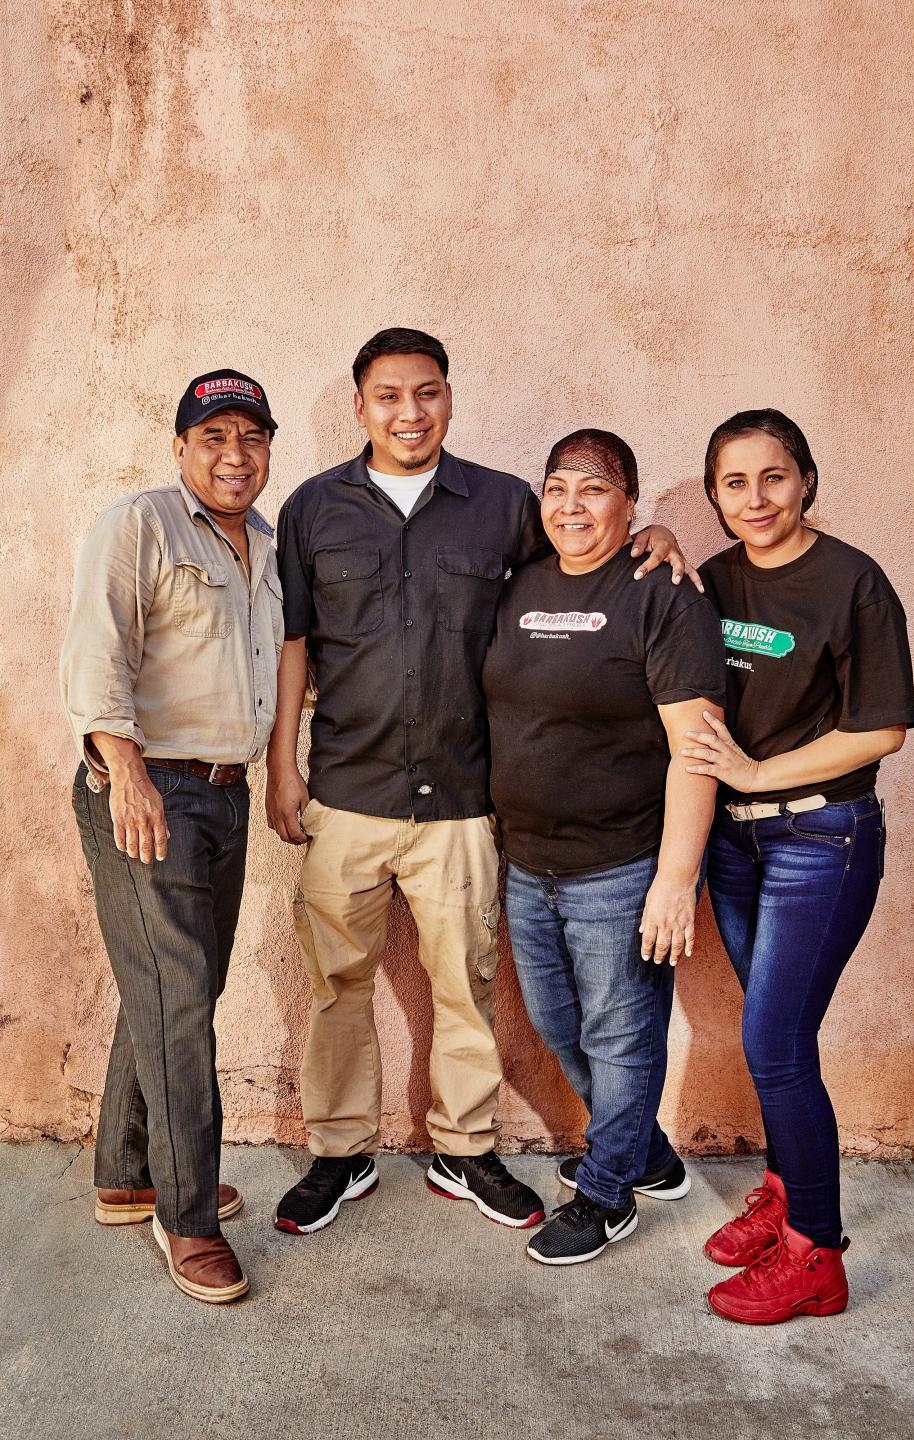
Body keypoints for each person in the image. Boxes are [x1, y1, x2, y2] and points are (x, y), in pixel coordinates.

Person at [266, 329, 692, 1236]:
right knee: (336, 983)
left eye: (426, 393)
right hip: (344, 791)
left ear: (449, 398)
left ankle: (465, 1149)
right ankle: (340, 1154)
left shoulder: (504, 504)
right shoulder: (312, 509)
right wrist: (280, 764)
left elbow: (593, 536)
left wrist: (658, 529)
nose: (408, 412)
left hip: (463, 800)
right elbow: (295, 645)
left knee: (466, 984)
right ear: (360, 406)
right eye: (388, 395)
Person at [684, 408, 914, 1324]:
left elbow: (883, 728)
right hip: (735, 845)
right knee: (780, 1037)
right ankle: (786, 1194)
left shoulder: (854, 581)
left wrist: (755, 772)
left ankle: (816, 1254)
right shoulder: (711, 579)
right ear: (715, 495)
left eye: (773, 477)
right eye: (733, 483)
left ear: (806, 480)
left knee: (773, 1045)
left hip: (823, 838)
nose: (755, 498)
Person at [61, 369, 285, 1304]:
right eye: (215, 438)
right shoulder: (139, 524)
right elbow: (96, 654)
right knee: (180, 999)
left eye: (252, 437)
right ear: (183, 447)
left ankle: (125, 1171)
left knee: (167, 988)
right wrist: (130, 777)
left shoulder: (265, 545)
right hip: (147, 789)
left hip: (224, 797)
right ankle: (186, 1217)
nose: (235, 456)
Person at [481, 429, 727, 1265]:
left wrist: (675, 880)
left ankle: (608, 1194)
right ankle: (645, 1152)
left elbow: (698, 746)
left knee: (622, 1040)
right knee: (561, 1027)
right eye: (557, 488)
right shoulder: (521, 585)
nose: (572, 506)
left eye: (595, 489)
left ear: (631, 504)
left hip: (620, 870)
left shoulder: (662, 596)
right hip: (529, 865)